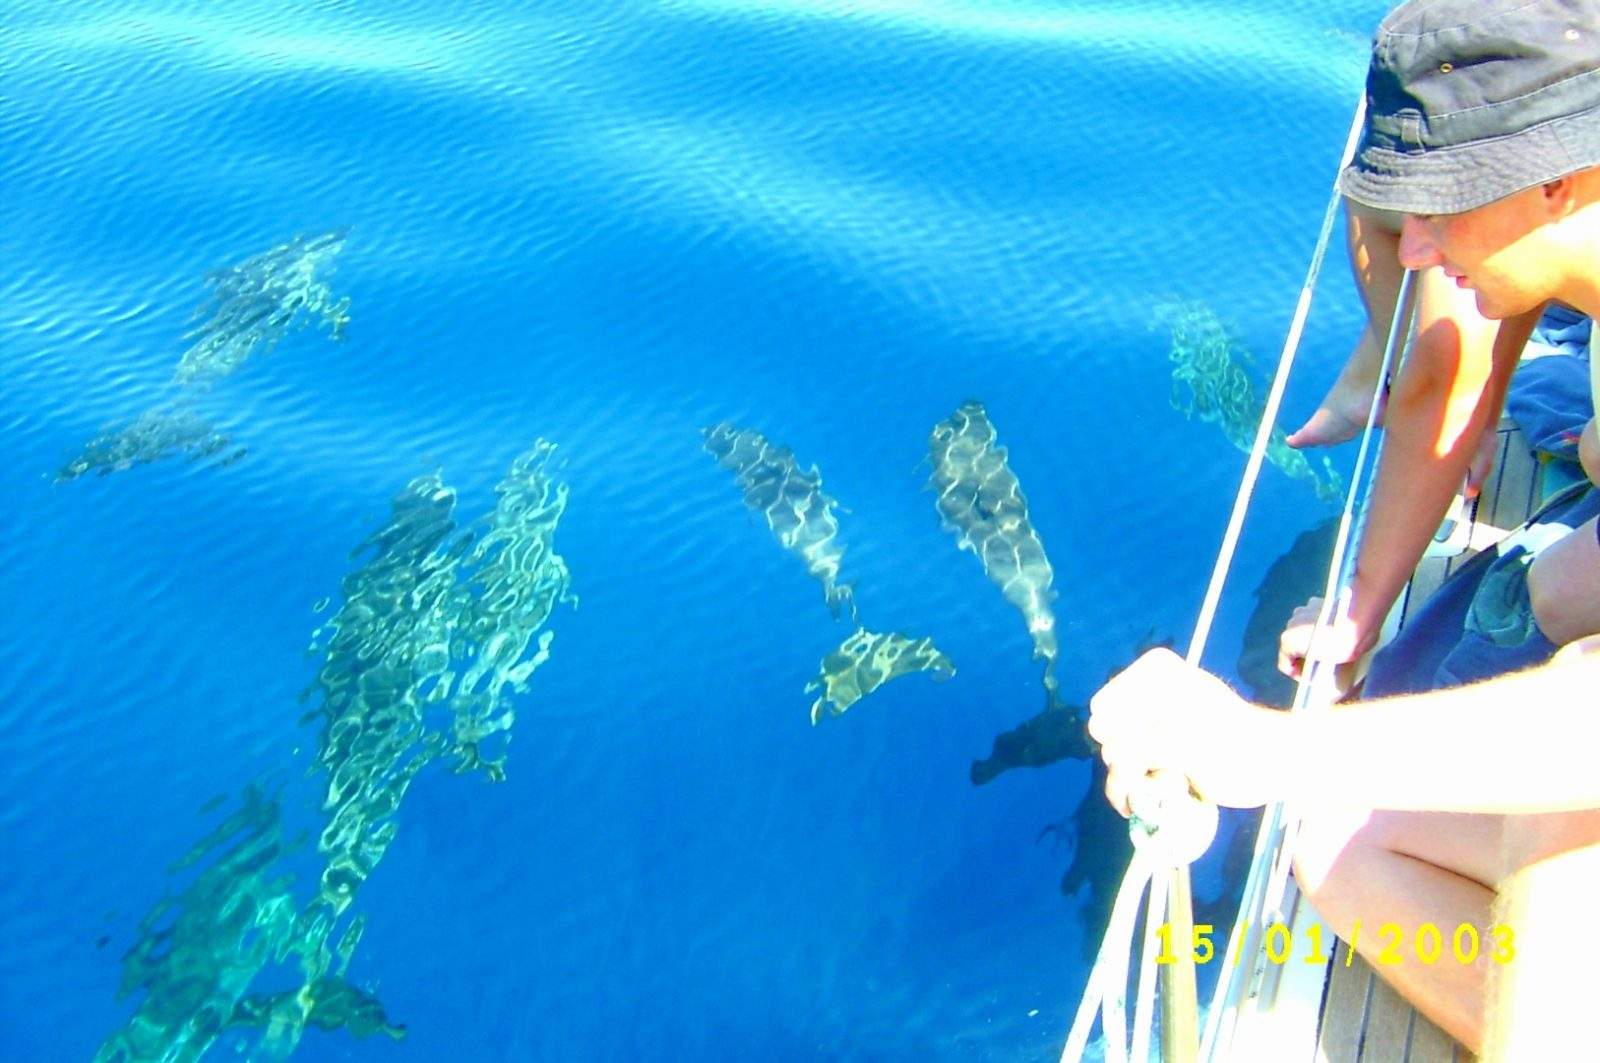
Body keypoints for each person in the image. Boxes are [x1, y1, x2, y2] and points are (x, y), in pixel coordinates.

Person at [1090, 2, 1600, 1058]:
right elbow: (1456, 356)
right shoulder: (1549, 197)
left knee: (1559, 839)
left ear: (1557, 178)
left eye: (1439, 210)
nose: (1415, 247)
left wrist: (1265, 747)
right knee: (1336, 846)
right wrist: (1363, 604)